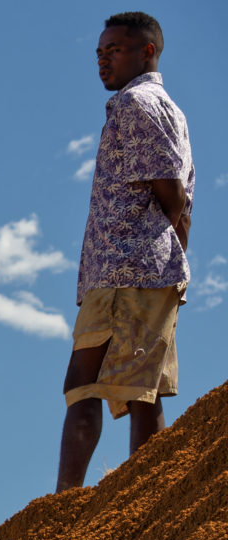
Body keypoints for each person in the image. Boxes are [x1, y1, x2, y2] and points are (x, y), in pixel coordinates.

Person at [57, 11, 193, 491]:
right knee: (143, 389)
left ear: (147, 51)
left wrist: (151, 257)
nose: (102, 60)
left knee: (83, 381)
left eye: (113, 50)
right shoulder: (168, 108)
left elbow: (172, 193)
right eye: (99, 52)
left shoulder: (134, 103)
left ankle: (64, 503)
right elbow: (184, 207)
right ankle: (145, 495)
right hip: (148, 270)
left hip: (126, 268)